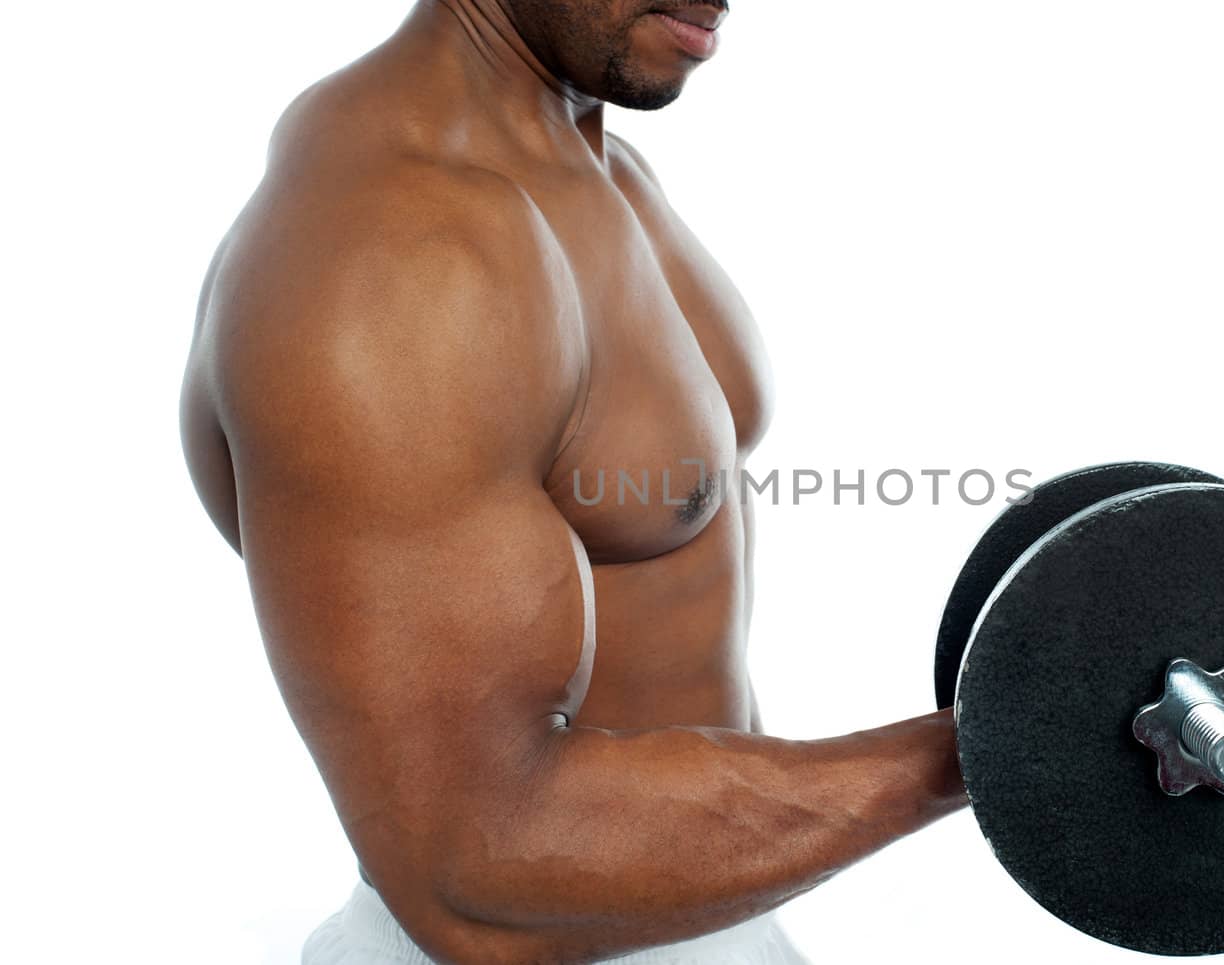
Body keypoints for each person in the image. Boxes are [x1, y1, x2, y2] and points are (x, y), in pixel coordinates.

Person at [180, 2, 969, 962]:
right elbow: (470, 867)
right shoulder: (397, 252)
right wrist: (977, 750)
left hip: (711, 913)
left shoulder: (603, 165)